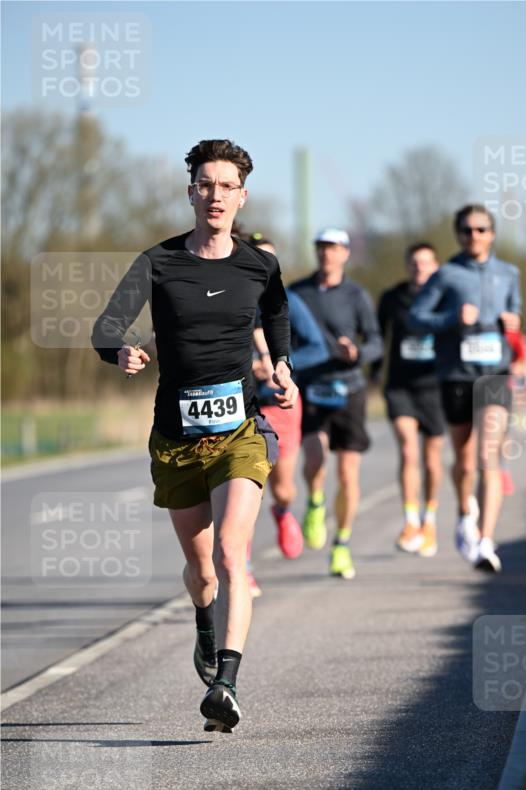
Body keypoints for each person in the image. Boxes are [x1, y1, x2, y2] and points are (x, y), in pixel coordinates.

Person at [92, 138, 298, 733]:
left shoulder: (259, 265)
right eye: (205, 184)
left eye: (226, 185)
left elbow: (277, 313)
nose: (215, 195)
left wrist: (280, 365)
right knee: (203, 568)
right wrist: (120, 351)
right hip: (177, 437)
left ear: (241, 196)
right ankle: (205, 624)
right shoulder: (158, 262)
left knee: (234, 553)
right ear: (191, 192)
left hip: (239, 430)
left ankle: (226, 684)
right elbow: (107, 324)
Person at [410, 204, 523, 573]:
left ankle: (486, 541)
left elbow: (516, 313)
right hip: (456, 375)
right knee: (464, 461)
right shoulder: (446, 275)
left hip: (495, 373)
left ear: (492, 233)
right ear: (458, 235)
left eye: (481, 229)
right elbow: (416, 319)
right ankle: (463, 513)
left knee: (489, 455)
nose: (474, 235)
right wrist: (450, 319)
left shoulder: (509, 273)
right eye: (467, 230)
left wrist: (514, 322)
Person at [290, 228, 383, 580]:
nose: (327, 254)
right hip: (313, 387)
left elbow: (376, 342)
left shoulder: (357, 295)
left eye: (333, 248)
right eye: (321, 248)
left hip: (349, 389)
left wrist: (358, 353)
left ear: (345, 253)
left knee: (347, 474)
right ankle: (315, 501)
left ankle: (341, 544)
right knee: (314, 459)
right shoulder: (297, 293)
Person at [243, 232, 330, 593]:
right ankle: (242, 568)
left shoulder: (289, 299)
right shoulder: (233, 297)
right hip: (243, 405)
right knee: (243, 490)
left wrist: (282, 366)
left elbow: (318, 348)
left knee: (283, 489)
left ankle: (282, 512)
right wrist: (251, 364)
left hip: (281, 403)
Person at [377, 242, 444, 556]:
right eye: (415, 263)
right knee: (407, 447)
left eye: (426, 263)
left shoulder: (446, 297)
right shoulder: (392, 298)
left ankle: (429, 521)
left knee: (432, 460)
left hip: (436, 387)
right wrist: (374, 372)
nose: (420, 268)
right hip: (400, 386)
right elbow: (380, 337)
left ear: (436, 267)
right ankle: (409, 520)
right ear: (407, 265)